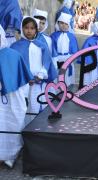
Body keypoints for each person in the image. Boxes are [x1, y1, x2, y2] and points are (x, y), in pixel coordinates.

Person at [0, 25, 33, 168]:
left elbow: (22, 82)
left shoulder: (13, 56)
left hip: (11, 100)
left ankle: (10, 155)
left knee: (10, 123)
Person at [11, 16, 57, 117]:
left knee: (38, 108)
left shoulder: (41, 46)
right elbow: (14, 66)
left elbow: (47, 62)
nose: (29, 31)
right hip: (23, 85)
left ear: (36, 30)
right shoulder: (15, 47)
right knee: (24, 110)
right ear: (22, 28)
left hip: (39, 83)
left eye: (32, 28)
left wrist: (40, 75)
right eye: (26, 27)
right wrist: (26, 78)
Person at [51, 12, 79, 86]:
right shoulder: (53, 36)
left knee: (67, 81)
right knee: (57, 80)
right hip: (57, 60)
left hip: (68, 60)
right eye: (62, 23)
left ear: (69, 25)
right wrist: (56, 61)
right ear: (58, 23)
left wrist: (69, 60)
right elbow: (52, 49)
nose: (64, 25)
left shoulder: (72, 36)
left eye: (66, 24)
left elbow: (74, 51)